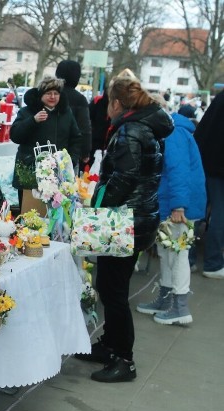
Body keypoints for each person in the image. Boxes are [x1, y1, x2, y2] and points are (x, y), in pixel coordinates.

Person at [74, 76, 173, 383]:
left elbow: (124, 178)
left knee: (114, 292)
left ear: (117, 103)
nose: (106, 108)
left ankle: (124, 359)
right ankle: (109, 345)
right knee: (109, 285)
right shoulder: (145, 126)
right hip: (137, 217)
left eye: (107, 102)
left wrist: (100, 207)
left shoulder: (131, 129)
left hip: (125, 221)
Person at [136, 94, 206, 325]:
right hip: (171, 203)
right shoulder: (172, 130)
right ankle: (167, 299)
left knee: (177, 254)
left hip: (177, 206)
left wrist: (178, 206)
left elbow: (178, 172)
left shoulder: (173, 133)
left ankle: (179, 306)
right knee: (168, 252)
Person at [10, 76, 82, 208]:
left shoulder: (66, 113)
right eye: (48, 93)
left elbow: (76, 138)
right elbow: (15, 135)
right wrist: (33, 121)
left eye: (56, 93)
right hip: (30, 171)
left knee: (55, 214)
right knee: (30, 213)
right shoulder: (27, 112)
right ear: (41, 94)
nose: (53, 97)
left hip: (58, 172)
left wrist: (71, 160)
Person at [194, 93, 224, 279]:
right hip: (219, 169)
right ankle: (213, 263)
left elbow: (202, 130)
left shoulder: (220, 98)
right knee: (220, 215)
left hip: (203, 162)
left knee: (197, 211)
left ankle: (187, 258)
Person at [56, 60, 92, 165]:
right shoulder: (79, 99)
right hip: (69, 151)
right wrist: (85, 152)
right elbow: (84, 128)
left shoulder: (49, 94)